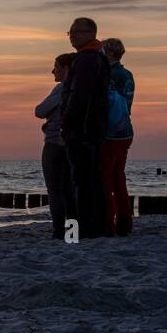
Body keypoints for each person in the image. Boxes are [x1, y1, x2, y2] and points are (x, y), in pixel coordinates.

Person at [59, 17, 111, 239]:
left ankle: (86, 229)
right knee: (92, 179)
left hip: (83, 130)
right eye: (69, 32)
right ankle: (100, 228)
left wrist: (68, 123)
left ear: (90, 33)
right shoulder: (96, 58)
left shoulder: (87, 60)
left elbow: (81, 96)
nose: (71, 35)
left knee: (82, 180)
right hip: (92, 128)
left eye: (76, 32)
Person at [36, 53, 77, 238]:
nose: (53, 71)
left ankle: (59, 232)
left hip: (55, 143)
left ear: (67, 69)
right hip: (74, 143)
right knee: (70, 190)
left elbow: (40, 110)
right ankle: (73, 232)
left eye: (56, 67)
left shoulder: (62, 88)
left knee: (55, 191)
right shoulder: (82, 88)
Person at [101, 38, 135, 235]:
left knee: (105, 178)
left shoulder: (109, 74)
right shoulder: (127, 74)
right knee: (118, 178)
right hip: (126, 130)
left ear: (110, 53)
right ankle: (125, 221)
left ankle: (110, 222)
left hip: (110, 132)